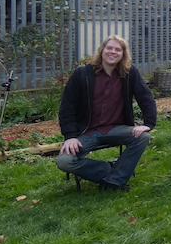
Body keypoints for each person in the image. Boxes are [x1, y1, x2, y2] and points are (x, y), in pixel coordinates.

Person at [57, 35, 156, 191]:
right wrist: (70, 137)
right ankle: (114, 172)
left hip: (115, 129)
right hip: (86, 132)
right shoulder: (82, 74)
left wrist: (148, 124)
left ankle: (113, 181)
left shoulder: (130, 73)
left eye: (118, 50)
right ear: (102, 50)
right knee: (64, 162)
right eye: (109, 48)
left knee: (143, 137)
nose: (113, 52)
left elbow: (145, 97)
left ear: (123, 54)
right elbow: (67, 107)